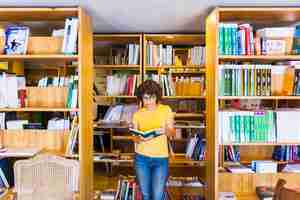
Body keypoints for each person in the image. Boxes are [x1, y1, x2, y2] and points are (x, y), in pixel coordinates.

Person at [132, 80, 176, 200]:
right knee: (146, 195)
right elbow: (135, 138)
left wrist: (165, 130)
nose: (148, 102)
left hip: (161, 159)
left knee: (157, 195)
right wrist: (138, 138)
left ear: (157, 96)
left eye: (151, 97)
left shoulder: (166, 110)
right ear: (141, 98)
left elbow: (172, 133)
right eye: (145, 98)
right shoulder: (137, 114)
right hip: (141, 158)